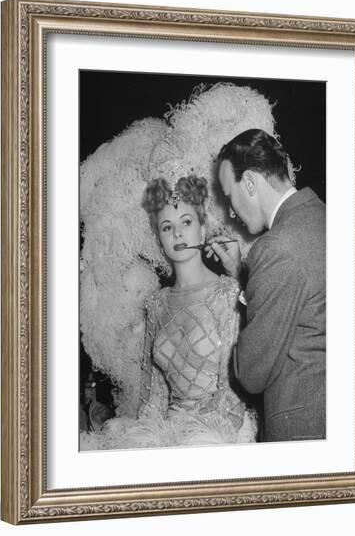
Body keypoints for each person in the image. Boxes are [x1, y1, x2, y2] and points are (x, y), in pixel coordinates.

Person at [96, 174, 257, 449]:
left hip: (219, 433)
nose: (178, 233)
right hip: (169, 431)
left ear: (203, 229)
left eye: (186, 222)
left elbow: (233, 393)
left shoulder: (227, 293)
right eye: (167, 227)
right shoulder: (156, 305)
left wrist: (191, 438)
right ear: (159, 240)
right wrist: (150, 439)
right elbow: (154, 394)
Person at [208, 128, 326, 442]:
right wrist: (241, 273)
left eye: (230, 198)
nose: (231, 212)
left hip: (304, 432)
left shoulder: (275, 247)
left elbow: (252, 373)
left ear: (250, 183)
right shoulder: (324, 219)